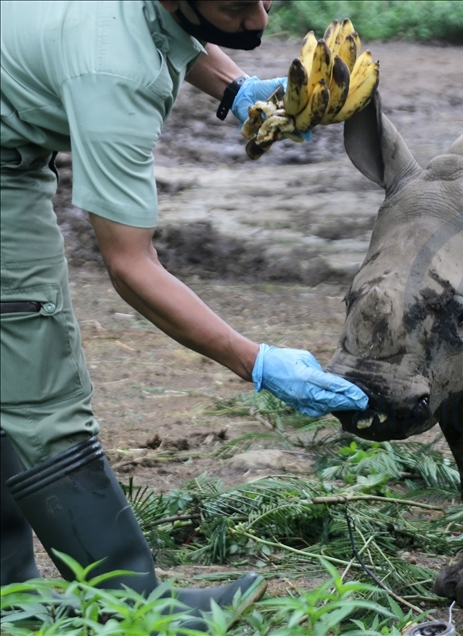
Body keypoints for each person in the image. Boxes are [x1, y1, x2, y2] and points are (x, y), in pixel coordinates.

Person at [0, 0, 368, 623]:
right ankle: (135, 607)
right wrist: (255, 361)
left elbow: (162, 30)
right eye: (233, 7)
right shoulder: (113, 74)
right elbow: (129, 265)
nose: (258, 22)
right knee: (38, 390)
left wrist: (238, 90)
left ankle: (10, 596)